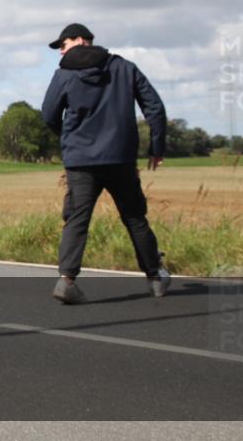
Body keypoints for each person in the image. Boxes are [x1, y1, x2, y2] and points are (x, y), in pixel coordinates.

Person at [41, 23, 170, 304]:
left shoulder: (64, 74)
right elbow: (155, 108)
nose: (60, 51)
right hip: (120, 158)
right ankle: (155, 278)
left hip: (80, 161)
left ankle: (67, 282)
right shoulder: (124, 68)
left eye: (62, 45)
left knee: (77, 218)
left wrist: (70, 138)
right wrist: (156, 147)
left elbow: (49, 114)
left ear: (80, 40)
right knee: (134, 217)